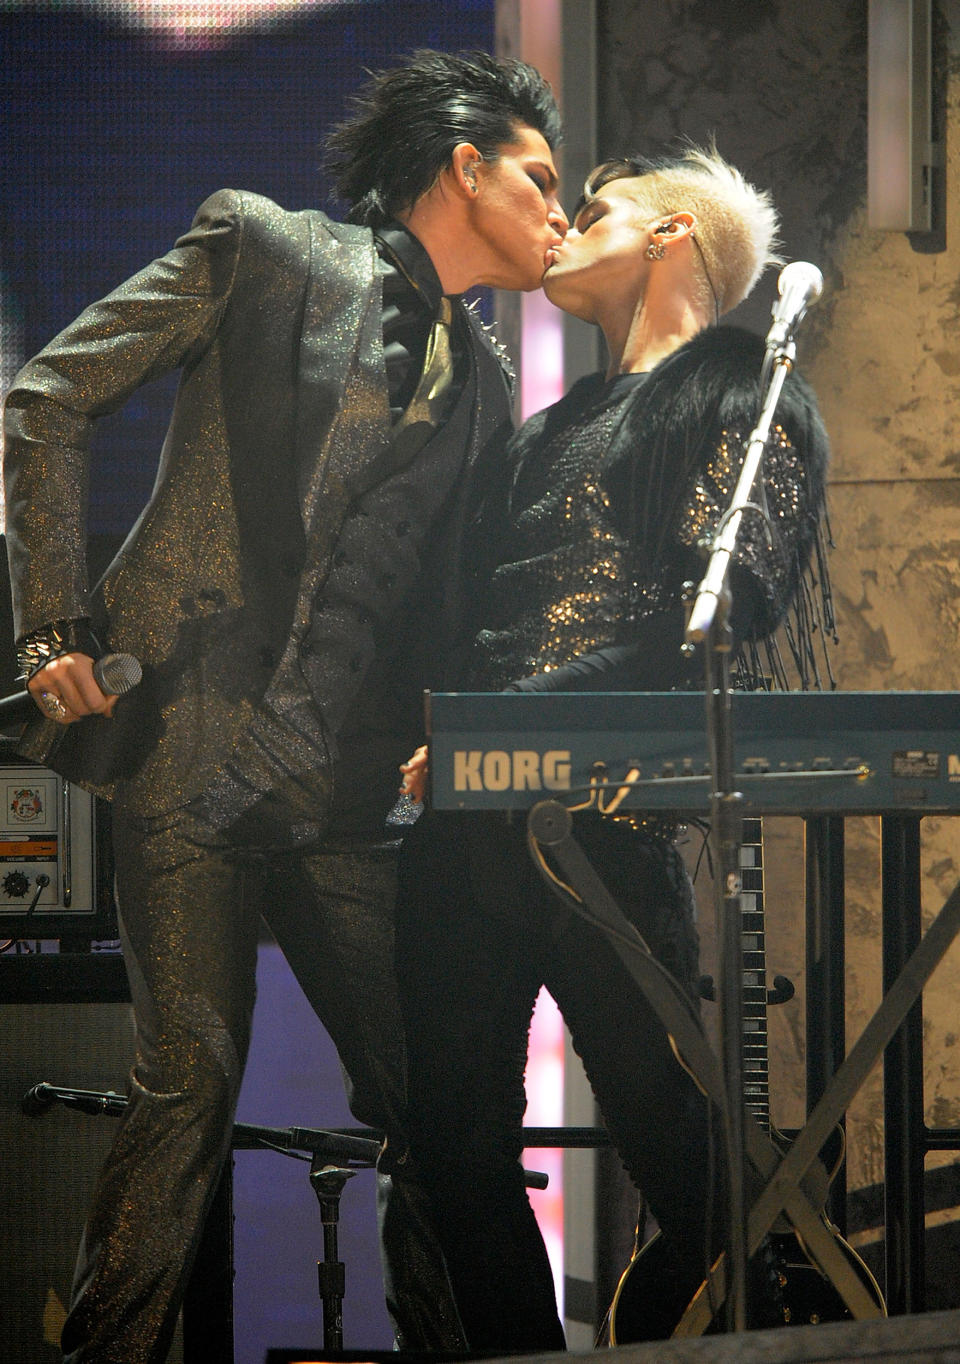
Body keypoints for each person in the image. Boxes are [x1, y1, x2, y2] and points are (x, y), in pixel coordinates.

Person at [1, 49, 567, 1363]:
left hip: (349, 782)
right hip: (190, 738)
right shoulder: (262, 247)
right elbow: (48, 396)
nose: (560, 214)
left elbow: (443, 597)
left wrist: (451, 723)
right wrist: (53, 629)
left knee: (435, 1102)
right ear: (464, 168)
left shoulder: (487, 385)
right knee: (186, 1078)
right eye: (541, 181)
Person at [394, 146, 830, 1349]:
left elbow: (712, 610)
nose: (563, 227)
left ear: (671, 233)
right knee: (452, 1146)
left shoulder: (743, 389)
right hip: (468, 823)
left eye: (594, 210)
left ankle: (766, 1322)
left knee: (661, 1120)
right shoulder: (547, 429)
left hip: (605, 822)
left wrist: (511, 730)